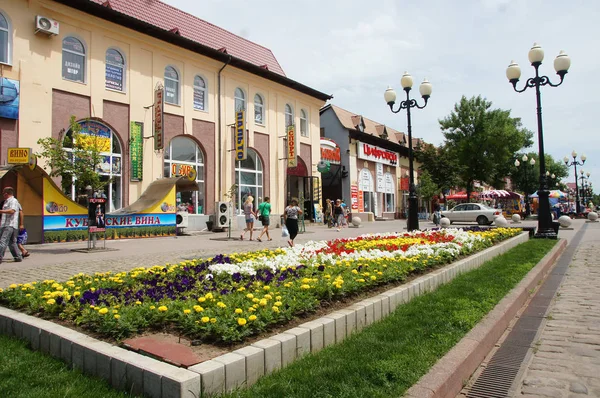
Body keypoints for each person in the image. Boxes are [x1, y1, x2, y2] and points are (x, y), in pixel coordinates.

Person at [0, 187, 23, 264]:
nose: (3, 195)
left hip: (9, 224)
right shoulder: (6, 201)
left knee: (2, 241)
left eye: (3, 193)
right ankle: (18, 257)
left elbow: (12, 211)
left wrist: (1, 211)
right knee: (12, 242)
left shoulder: (13, 201)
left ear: (6, 194)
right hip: (5, 224)